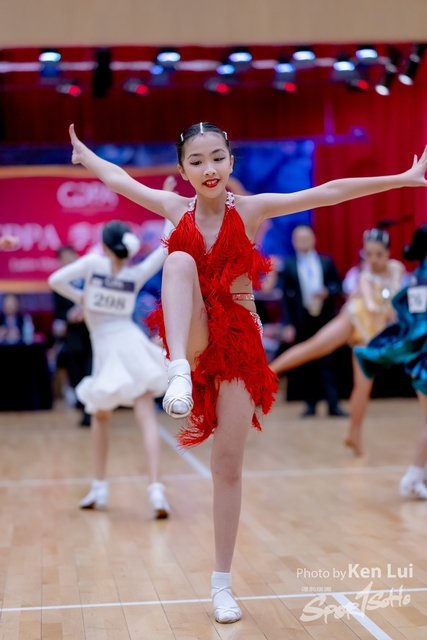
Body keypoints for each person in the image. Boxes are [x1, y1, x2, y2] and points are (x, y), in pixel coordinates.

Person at [69, 120, 427, 624]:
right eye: (196, 161)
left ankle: (222, 584)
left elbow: (328, 192)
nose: (209, 169)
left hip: (239, 339)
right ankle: (176, 370)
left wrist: (402, 179)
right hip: (193, 336)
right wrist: (85, 155)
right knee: (177, 263)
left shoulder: (252, 209)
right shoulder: (175, 208)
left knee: (227, 466)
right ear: (183, 170)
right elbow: (120, 180)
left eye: (217, 157)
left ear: (231, 161)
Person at [49, 218, 173, 518]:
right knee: (145, 415)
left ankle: (100, 487)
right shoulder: (134, 273)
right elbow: (164, 249)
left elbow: (55, 280)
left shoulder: (93, 264)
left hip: (107, 348)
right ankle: (156, 491)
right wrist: (168, 212)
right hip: (131, 345)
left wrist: (82, 298)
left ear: (104, 246)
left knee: (100, 416)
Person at [270, 229, 405, 455]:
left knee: (363, 385)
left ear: (388, 253)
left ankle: (354, 434)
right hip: (353, 319)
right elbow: (368, 299)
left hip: (370, 334)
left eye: (378, 255)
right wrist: (372, 305)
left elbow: (396, 297)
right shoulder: (365, 276)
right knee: (313, 348)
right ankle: (268, 371)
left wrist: (392, 315)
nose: (372, 260)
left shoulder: (397, 269)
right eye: (368, 254)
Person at [355, 225, 427, 499]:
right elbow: (420, 325)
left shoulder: (416, 276)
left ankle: (420, 475)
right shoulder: (422, 279)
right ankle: (413, 478)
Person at [279, 225, 345, 417]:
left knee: (329, 361)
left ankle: (333, 404)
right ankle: (310, 405)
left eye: (307, 238)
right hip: (302, 319)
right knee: (306, 361)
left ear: (314, 239)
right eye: (299, 238)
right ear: (294, 242)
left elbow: (338, 286)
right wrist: (288, 324)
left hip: (325, 318)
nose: (303, 242)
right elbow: (285, 298)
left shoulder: (326, 262)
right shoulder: (289, 265)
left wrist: (328, 292)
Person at [52, 245, 93, 426]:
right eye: (64, 257)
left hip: (92, 335)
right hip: (73, 338)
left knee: (91, 372)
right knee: (77, 375)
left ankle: (93, 411)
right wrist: (71, 315)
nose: (68, 260)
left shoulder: (90, 277)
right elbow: (58, 312)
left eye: (71, 256)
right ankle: (83, 410)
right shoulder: (58, 283)